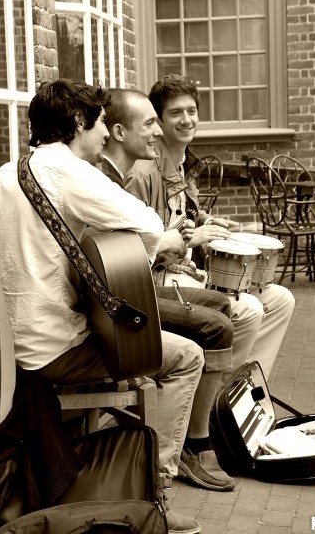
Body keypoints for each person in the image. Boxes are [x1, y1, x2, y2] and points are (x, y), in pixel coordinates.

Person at [0, 79, 204, 534]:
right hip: (54, 350)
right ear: (79, 123)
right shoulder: (66, 172)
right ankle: (157, 494)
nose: (105, 136)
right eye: (101, 124)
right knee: (188, 357)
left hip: (2, 355)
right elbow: (146, 222)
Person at [99, 88, 236, 492]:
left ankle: (207, 426)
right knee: (213, 330)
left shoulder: (123, 175)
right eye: (154, 121)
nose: (159, 132)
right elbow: (115, 256)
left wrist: (173, 238)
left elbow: (128, 244)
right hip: (114, 303)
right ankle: (165, 473)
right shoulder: (112, 179)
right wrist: (168, 244)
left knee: (222, 305)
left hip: (126, 288)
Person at [124, 74, 295, 381]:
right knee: (250, 308)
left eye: (191, 111)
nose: (186, 119)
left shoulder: (183, 163)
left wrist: (205, 219)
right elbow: (138, 243)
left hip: (189, 273)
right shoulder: (143, 173)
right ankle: (215, 399)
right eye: (175, 113)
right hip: (161, 281)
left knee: (282, 299)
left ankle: (248, 386)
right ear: (159, 121)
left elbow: (179, 211)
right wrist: (192, 239)